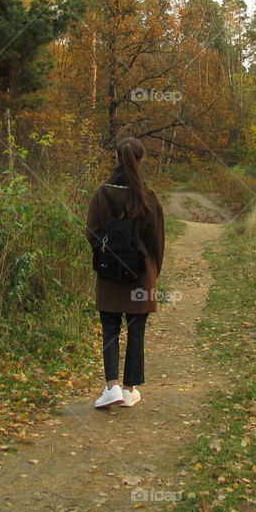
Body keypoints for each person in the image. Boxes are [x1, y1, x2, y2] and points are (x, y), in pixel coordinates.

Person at [85, 137, 165, 409]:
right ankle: (130, 390)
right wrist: (154, 272)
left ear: (116, 158)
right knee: (136, 330)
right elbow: (157, 240)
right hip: (141, 274)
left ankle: (111, 387)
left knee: (110, 329)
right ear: (140, 160)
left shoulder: (101, 193)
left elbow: (91, 233)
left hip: (109, 274)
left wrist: (108, 254)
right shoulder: (148, 195)